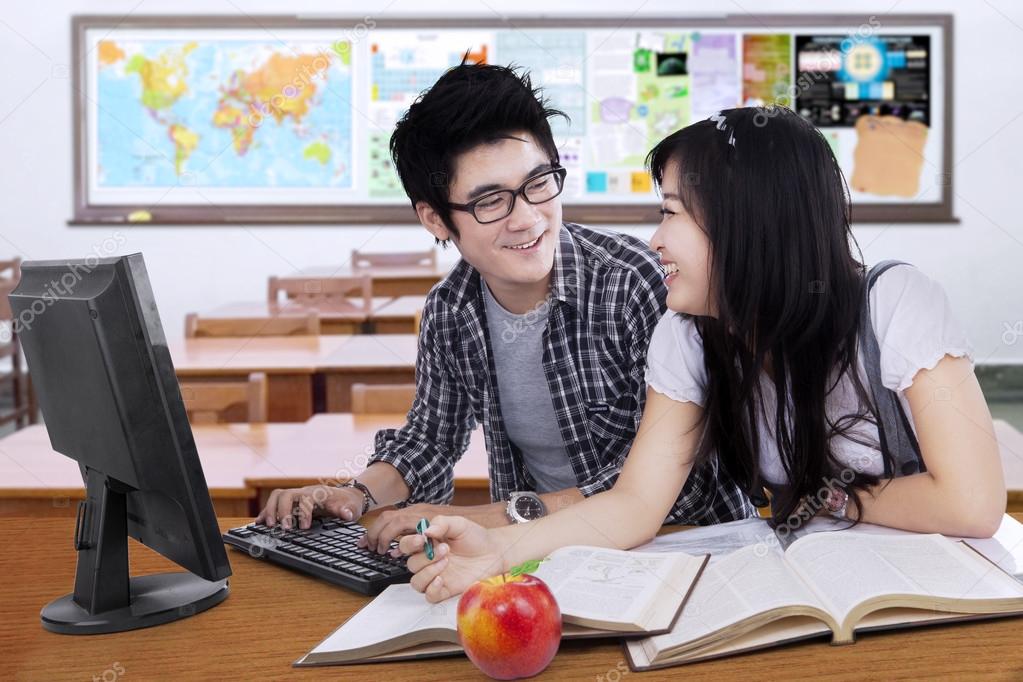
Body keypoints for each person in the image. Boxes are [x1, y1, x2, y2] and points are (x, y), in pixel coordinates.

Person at [397, 106, 1007, 602]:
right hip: (817, 583)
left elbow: (972, 503)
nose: (655, 240)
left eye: (671, 214)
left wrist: (836, 498)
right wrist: (498, 548)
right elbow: (636, 504)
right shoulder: (688, 335)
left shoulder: (896, 305)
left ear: (745, 225)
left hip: (944, 593)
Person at [254, 62, 756, 551]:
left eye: (538, 184)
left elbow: (680, 483)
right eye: (491, 201)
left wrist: (495, 517)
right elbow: (429, 441)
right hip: (539, 559)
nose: (527, 219)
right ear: (435, 218)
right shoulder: (451, 311)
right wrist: (353, 495)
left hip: (688, 549)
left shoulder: (634, 283)